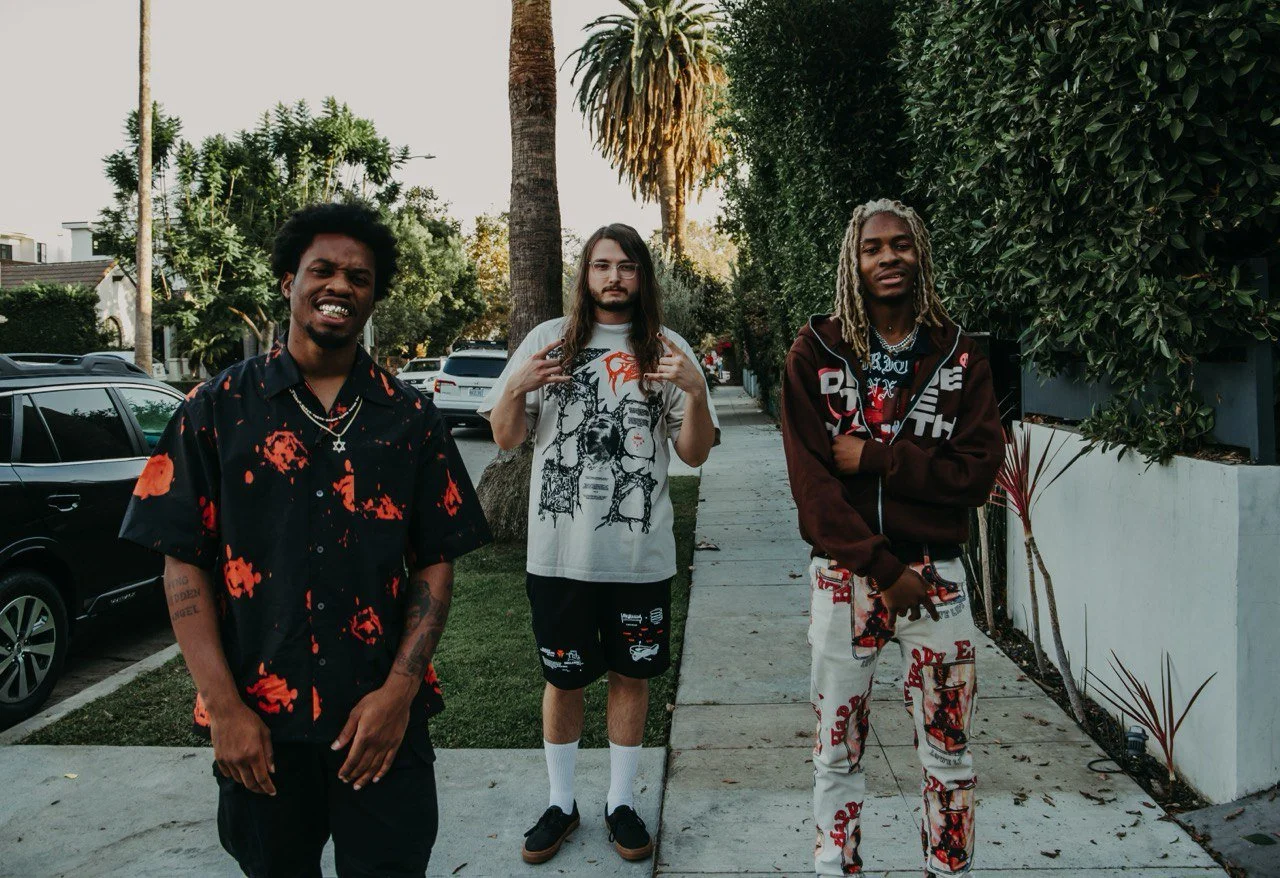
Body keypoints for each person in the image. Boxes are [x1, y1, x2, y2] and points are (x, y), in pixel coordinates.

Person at [120, 202, 491, 878]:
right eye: (322, 270)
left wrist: (398, 696)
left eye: (360, 277)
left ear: (374, 296)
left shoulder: (411, 418)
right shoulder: (216, 407)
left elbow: (435, 565)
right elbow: (182, 564)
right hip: (260, 729)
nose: (340, 286)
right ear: (289, 280)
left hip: (380, 729)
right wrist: (225, 709)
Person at [480, 223, 718, 864]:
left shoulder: (667, 349)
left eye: (626, 266)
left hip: (638, 559)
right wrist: (515, 385)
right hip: (559, 556)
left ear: (642, 275)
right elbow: (506, 439)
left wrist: (694, 391)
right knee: (564, 680)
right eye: (601, 265)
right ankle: (561, 802)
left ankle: (620, 802)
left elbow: (693, 452)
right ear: (585, 275)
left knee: (630, 677)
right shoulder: (547, 343)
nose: (614, 277)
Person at [780, 198, 1003, 876]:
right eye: (873, 248)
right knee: (835, 751)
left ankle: (948, 868)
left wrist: (877, 459)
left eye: (900, 245)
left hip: (939, 581)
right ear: (854, 260)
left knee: (948, 752)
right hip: (844, 580)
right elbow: (813, 492)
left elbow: (976, 474)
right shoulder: (813, 352)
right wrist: (881, 566)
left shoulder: (960, 355)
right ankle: (835, 868)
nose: (888, 258)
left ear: (920, 254)